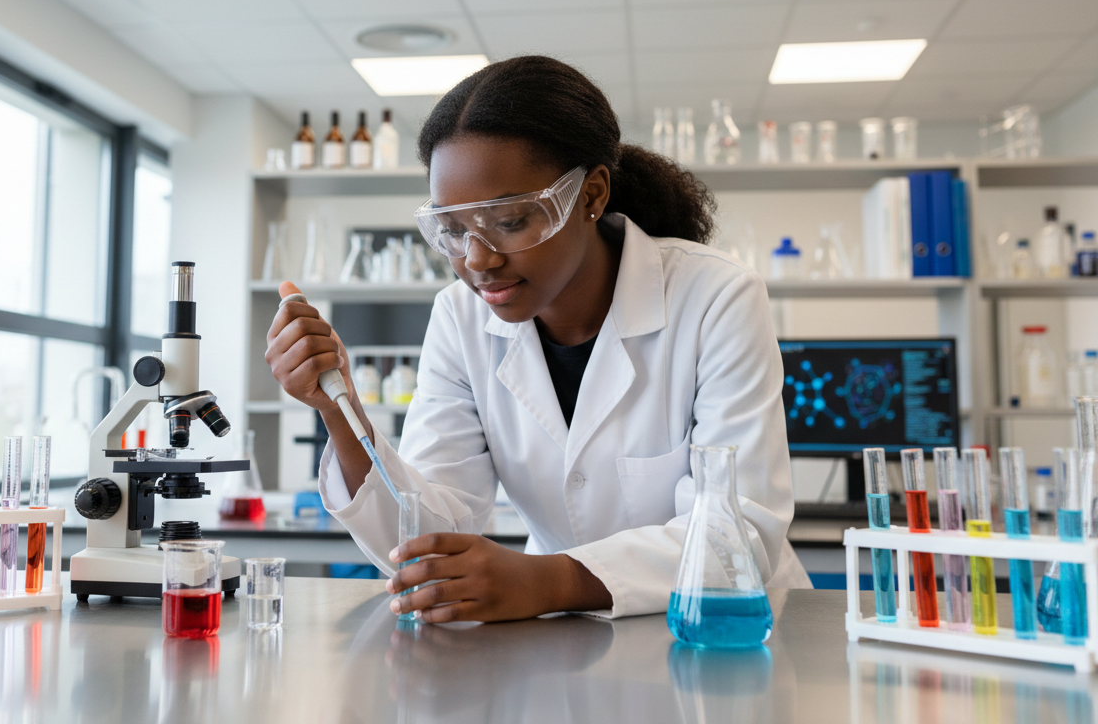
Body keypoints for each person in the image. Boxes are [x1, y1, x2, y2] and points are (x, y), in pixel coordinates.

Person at [266, 55, 811, 623]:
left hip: (725, 630)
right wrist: (339, 410)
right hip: (562, 637)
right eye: (452, 230)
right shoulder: (459, 317)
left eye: (509, 221)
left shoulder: (716, 296)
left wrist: (547, 582)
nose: (477, 260)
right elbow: (426, 539)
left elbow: (735, 535)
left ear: (591, 195)